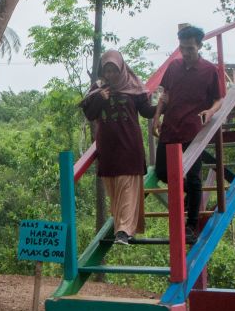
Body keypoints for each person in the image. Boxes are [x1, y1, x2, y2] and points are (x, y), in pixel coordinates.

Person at [153, 24, 222, 244]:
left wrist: (210, 112)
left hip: (193, 130)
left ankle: (191, 225)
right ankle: (188, 197)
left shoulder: (210, 70)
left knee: (193, 177)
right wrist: (156, 117)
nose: (186, 52)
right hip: (170, 128)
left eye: (190, 48)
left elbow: (219, 99)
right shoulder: (173, 67)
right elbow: (165, 94)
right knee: (163, 172)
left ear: (199, 46)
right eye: (183, 48)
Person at [80, 50, 157, 245]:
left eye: (114, 70)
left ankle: (124, 231)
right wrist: (99, 99)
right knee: (114, 191)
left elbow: (147, 112)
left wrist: (162, 105)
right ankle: (120, 228)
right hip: (107, 148)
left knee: (127, 188)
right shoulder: (97, 88)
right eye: (107, 71)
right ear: (102, 71)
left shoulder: (133, 86)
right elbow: (90, 114)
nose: (111, 75)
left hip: (129, 145)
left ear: (121, 68)